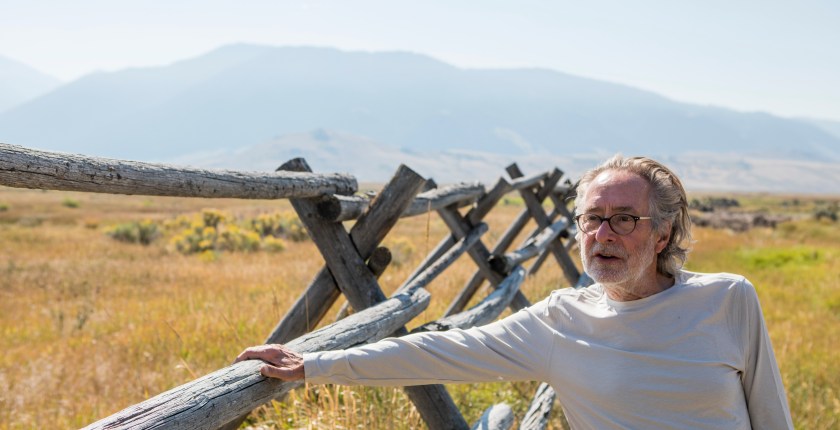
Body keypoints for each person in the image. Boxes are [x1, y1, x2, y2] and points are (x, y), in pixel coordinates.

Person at [237, 155, 793, 429]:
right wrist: (311, 363)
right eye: (592, 218)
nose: (603, 234)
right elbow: (437, 352)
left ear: (663, 232)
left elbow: (771, 417)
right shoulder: (560, 322)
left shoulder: (728, 300)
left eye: (624, 219)